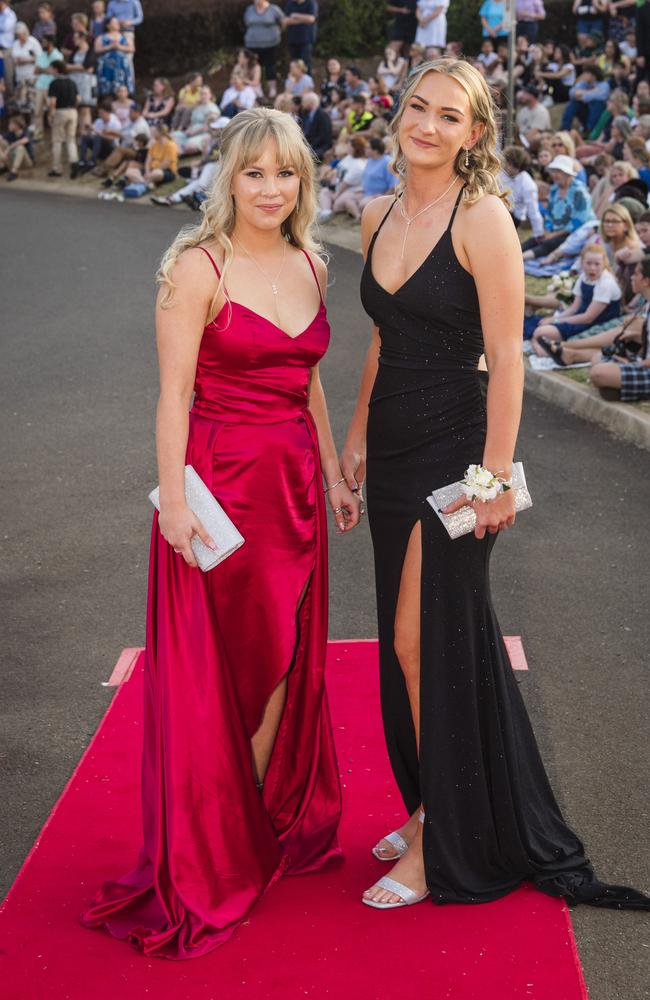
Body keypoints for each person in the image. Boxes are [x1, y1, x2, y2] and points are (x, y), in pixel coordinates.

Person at [340, 55, 650, 914]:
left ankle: (447, 829)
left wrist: (493, 477)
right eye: (416, 108)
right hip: (393, 444)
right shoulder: (376, 212)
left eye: (448, 116)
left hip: (456, 450)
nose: (426, 125)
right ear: (396, 113)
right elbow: (380, 335)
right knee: (404, 643)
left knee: (419, 643)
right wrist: (357, 430)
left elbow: (507, 359)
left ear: (475, 134)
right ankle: (430, 798)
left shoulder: (484, 220)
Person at [80, 106, 359, 958]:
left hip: (295, 494)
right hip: (219, 490)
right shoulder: (195, 268)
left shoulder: (315, 262)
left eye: (286, 174)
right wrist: (172, 501)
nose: (271, 189)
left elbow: (307, 380)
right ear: (228, 178)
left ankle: (243, 829)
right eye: (255, 173)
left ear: (302, 182)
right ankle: (204, 846)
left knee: (277, 658)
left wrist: (334, 469)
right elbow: (172, 396)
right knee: (221, 667)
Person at [532, 243, 622, 354]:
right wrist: (557, 319)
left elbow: (588, 318)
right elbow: (574, 308)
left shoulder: (605, 283)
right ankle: (544, 347)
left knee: (540, 332)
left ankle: (546, 348)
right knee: (538, 326)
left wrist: (556, 320)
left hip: (597, 323)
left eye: (597, 264)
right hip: (580, 317)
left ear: (604, 264)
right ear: (582, 263)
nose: (592, 268)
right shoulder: (584, 277)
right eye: (588, 263)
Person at [522, 153, 595, 258]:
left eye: (559, 171)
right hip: (556, 230)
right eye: (554, 171)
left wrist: (553, 235)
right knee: (536, 238)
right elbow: (549, 214)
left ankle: (522, 258)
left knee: (551, 242)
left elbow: (578, 222)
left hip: (576, 233)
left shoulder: (579, 192)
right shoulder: (554, 190)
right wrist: (547, 231)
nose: (555, 175)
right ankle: (513, 254)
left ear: (568, 174)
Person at [243, 0, 284, 99]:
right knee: (254, 66)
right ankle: (257, 89)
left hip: (270, 44)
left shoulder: (274, 9)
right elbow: (246, 22)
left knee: (270, 66)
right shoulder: (249, 9)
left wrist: (277, 33)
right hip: (252, 44)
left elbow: (283, 22)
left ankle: (272, 89)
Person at [501, 145, 544, 238]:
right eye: (507, 163)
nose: (507, 167)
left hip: (514, 218)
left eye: (512, 165)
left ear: (519, 168)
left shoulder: (528, 184)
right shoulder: (499, 173)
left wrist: (538, 233)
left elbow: (533, 210)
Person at [47, 60, 79, 178]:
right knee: (71, 139)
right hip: (72, 111)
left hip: (60, 111)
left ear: (56, 69)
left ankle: (57, 168)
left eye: (51, 69)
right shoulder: (72, 82)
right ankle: (74, 161)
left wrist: (51, 113)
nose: (50, 71)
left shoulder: (54, 83)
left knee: (57, 140)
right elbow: (78, 98)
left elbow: (53, 101)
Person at [94, 15, 134, 97]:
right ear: (108, 25)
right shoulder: (101, 37)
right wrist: (109, 47)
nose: (117, 24)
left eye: (117, 22)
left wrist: (119, 47)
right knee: (107, 92)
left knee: (122, 88)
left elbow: (132, 48)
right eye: (114, 22)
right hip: (107, 67)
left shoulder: (124, 37)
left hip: (121, 67)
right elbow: (97, 49)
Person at [32, 33, 63, 140]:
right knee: (37, 112)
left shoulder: (57, 55)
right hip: (40, 86)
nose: (42, 44)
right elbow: (36, 70)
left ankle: (56, 134)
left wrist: (42, 69)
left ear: (50, 43)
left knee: (53, 112)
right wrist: (47, 70)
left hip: (52, 87)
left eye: (44, 42)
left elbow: (55, 72)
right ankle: (38, 134)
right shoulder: (42, 55)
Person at [75, 100, 121, 171]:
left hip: (111, 148)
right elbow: (93, 134)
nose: (100, 115)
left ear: (108, 113)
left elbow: (114, 138)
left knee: (98, 138)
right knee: (85, 137)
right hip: (99, 146)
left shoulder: (115, 123)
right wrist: (89, 131)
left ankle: (93, 161)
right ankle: (82, 160)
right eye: (99, 113)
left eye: (102, 113)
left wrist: (97, 132)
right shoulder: (98, 121)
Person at [66, 30, 97, 132]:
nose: (74, 40)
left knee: (85, 109)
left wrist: (75, 67)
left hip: (86, 84)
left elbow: (88, 66)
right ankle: (80, 132)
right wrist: (80, 68)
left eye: (76, 38)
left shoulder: (90, 51)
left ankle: (86, 133)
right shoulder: (75, 52)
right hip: (75, 82)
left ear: (82, 38)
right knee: (77, 108)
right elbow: (67, 66)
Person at [10, 21, 41, 113]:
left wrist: (27, 60)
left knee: (32, 101)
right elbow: (13, 57)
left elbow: (40, 58)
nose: (20, 37)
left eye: (21, 35)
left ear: (25, 33)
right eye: (18, 35)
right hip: (20, 76)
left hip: (31, 76)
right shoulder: (15, 43)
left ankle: (33, 123)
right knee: (21, 102)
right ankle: (23, 123)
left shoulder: (33, 42)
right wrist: (16, 61)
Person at [283, 0, 317, 73]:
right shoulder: (290, 4)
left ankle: (307, 82)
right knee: (294, 63)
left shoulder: (311, 3)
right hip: (292, 39)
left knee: (306, 63)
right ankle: (297, 82)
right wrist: (303, 20)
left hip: (306, 40)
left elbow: (311, 19)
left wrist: (296, 16)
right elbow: (285, 21)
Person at [299, 91, 332, 161]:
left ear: (311, 103)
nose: (302, 104)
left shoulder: (323, 115)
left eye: (304, 102)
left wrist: (309, 146)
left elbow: (323, 136)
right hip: (308, 144)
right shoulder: (305, 114)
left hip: (320, 146)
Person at [0, 112, 33, 179]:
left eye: (11, 124)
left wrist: (9, 148)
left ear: (17, 125)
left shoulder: (25, 132)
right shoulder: (10, 133)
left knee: (20, 147)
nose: (9, 125)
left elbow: (24, 140)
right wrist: (2, 154)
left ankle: (14, 171)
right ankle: (3, 166)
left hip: (25, 162)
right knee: (2, 142)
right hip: (13, 159)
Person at [0, 0, 17, 98]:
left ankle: (10, 102)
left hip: (6, 49)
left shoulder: (10, 15)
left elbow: (5, 27)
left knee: (7, 77)